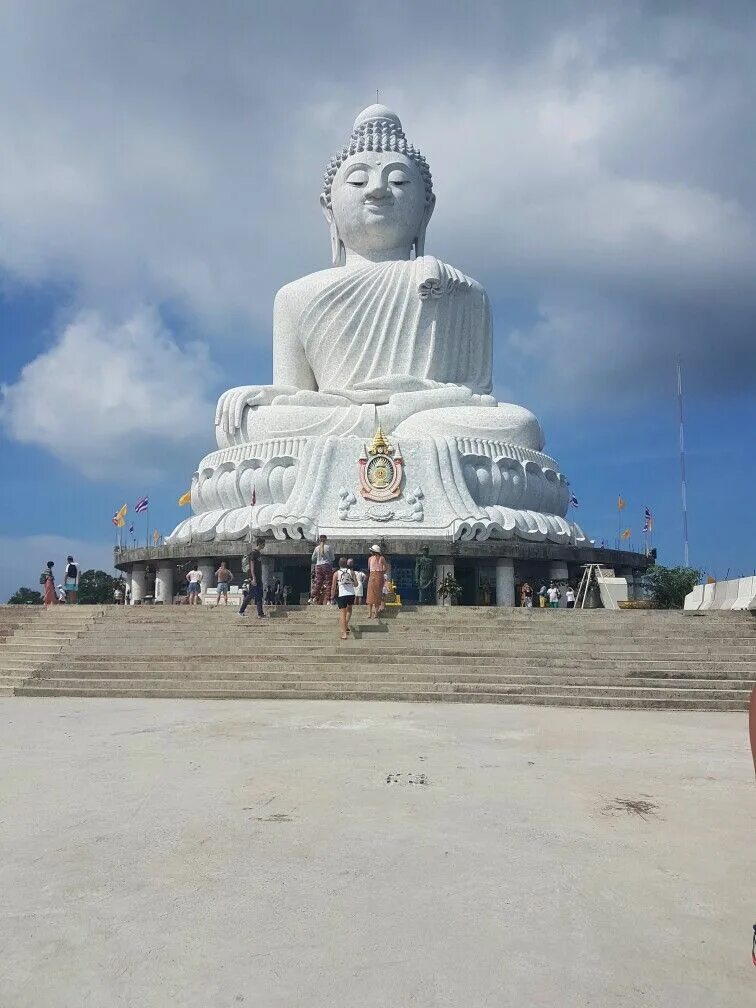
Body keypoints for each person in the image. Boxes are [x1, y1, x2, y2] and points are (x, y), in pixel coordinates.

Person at [331, 556, 357, 639]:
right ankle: (346, 624)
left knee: (343, 613)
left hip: (342, 594)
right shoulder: (351, 572)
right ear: (347, 564)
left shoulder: (336, 573)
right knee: (349, 610)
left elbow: (333, 587)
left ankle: (344, 633)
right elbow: (356, 584)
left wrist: (331, 596)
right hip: (351, 594)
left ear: (339, 564)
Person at [239, 537, 266, 617]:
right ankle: (241, 611)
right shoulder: (253, 553)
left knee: (259, 595)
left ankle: (260, 614)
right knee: (250, 595)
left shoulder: (259, 553)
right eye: (263, 544)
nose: (264, 546)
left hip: (258, 578)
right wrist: (253, 578)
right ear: (260, 544)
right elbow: (252, 566)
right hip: (254, 578)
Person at [311, 534, 335, 605]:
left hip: (318, 566)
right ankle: (328, 600)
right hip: (326, 565)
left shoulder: (316, 548)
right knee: (328, 582)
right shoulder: (328, 547)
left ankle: (313, 597)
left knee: (318, 582)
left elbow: (312, 558)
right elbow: (333, 558)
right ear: (326, 540)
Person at [366, 544, 387, 619]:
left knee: (374, 594)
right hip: (377, 576)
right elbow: (385, 568)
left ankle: (372, 612)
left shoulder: (374, 558)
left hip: (374, 575)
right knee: (374, 594)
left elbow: (369, 568)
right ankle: (374, 612)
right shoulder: (380, 558)